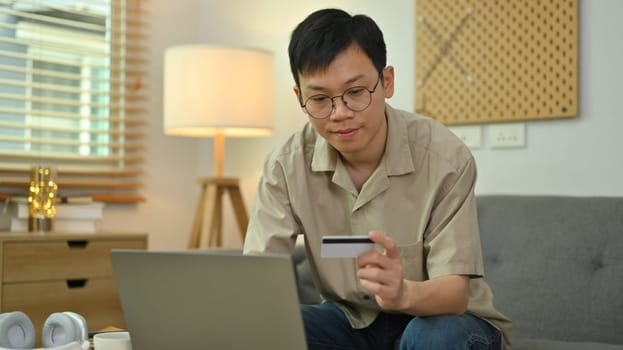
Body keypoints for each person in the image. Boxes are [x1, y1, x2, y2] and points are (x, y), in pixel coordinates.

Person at [243, 8, 511, 350]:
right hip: (351, 321)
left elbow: (454, 294)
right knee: (267, 330)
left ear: (386, 82)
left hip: (444, 320)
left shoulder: (445, 158)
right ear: (300, 98)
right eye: (321, 99)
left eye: (356, 93)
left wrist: (402, 293)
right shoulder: (285, 165)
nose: (340, 113)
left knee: (432, 336)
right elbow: (258, 278)